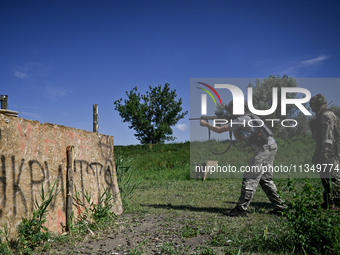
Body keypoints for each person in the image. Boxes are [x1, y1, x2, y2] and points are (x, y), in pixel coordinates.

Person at [200, 101, 285, 217]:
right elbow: (240, 141)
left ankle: (241, 209)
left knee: (250, 177)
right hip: (271, 147)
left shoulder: (240, 119)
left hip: (264, 149)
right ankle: (281, 207)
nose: (230, 111)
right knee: (265, 179)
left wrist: (205, 124)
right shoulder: (249, 117)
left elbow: (219, 130)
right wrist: (232, 126)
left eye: (232, 109)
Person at [309, 94, 340, 208]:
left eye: (312, 104)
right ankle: (330, 202)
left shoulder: (326, 115)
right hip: (324, 149)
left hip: (330, 151)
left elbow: (328, 135)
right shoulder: (321, 115)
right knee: (326, 176)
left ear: (317, 104)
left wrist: (324, 151)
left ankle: (336, 202)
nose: (310, 107)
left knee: (333, 177)